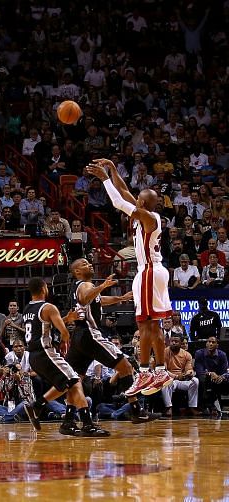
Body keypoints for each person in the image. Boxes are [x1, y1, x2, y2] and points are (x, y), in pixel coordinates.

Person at [87, 159, 173, 396]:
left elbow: (117, 200)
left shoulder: (148, 217)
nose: (133, 199)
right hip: (153, 272)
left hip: (149, 271)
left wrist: (104, 178)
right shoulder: (145, 214)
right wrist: (113, 169)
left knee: (144, 324)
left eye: (138, 199)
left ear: (142, 203)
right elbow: (123, 192)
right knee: (153, 325)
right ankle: (161, 370)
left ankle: (145, 371)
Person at [66, 259, 156, 422]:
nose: (90, 264)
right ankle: (136, 411)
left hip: (78, 337)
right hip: (89, 333)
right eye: (85, 264)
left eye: (89, 262)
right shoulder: (84, 285)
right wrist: (103, 286)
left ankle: (68, 419)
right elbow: (85, 298)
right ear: (77, 271)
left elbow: (99, 300)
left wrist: (120, 298)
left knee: (75, 379)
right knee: (126, 366)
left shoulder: (79, 287)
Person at [22, 277, 109, 437]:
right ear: (43, 288)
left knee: (69, 383)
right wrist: (65, 340)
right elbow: (64, 332)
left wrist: (67, 318)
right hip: (46, 352)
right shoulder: (48, 307)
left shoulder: (27, 309)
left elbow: (43, 327)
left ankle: (43, 408)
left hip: (33, 356)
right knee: (75, 381)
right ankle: (87, 424)